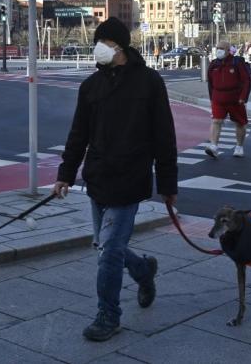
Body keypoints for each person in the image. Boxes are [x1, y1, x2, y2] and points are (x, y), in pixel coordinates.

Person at [53, 17, 178, 342]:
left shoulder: (149, 82)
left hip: (130, 178)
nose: (97, 48)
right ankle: (143, 270)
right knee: (108, 247)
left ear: (118, 47)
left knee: (109, 251)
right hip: (97, 179)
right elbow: (78, 134)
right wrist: (65, 174)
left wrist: (168, 185)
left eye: (103, 42)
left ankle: (108, 316)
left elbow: (164, 136)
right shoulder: (90, 86)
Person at [205, 40, 251, 159]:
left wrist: (243, 97)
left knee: (240, 123)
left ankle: (239, 147)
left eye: (221, 48)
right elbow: (210, 83)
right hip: (218, 99)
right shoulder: (214, 64)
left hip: (236, 99)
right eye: (217, 48)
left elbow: (247, 80)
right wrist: (212, 98)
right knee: (216, 121)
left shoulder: (237, 62)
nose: (218, 50)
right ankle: (213, 146)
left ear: (227, 50)